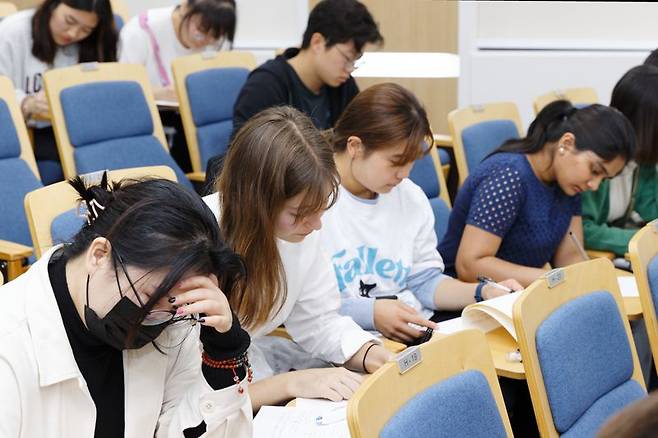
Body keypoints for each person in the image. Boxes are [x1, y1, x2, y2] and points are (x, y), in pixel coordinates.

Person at [0, 174, 252, 437]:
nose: (156, 318)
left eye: (175, 306)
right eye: (149, 296)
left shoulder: (170, 319)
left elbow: (184, 428)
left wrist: (223, 353)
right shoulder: (10, 344)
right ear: (99, 255)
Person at [204, 106, 391, 410]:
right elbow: (190, 398)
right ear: (255, 201)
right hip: (206, 395)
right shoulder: (198, 242)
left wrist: (370, 353)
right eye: (300, 214)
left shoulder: (300, 234)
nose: (316, 225)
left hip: (246, 377)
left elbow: (319, 321)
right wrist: (291, 383)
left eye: (319, 211)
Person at [320, 83, 522, 343]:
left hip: (414, 329)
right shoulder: (310, 200)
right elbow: (304, 309)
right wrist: (371, 313)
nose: (404, 174)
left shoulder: (409, 196)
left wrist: (484, 292)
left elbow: (424, 282)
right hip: (346, 340)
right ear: (355, 147)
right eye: (395, 162)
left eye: (411, 163)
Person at [438, 101, 636, 287]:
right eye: (594, 170)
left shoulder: (568, 184)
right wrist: (553, 280)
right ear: (566, 143)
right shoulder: (508, 176)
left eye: (604, 178)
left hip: (519, 297)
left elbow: (569, 257)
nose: (595, 185)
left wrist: (588, 278)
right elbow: (470, 266)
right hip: (464, 300)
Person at [204, 0, 383, 186]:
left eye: (355, 61)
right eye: (347, 58)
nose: (349, 69)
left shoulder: (343, 86)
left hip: (328, 186)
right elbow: (248, 160)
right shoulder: (265, 86)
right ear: (317, 42)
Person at [0, 0, 118, 184]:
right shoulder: (12, 31)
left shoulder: (94, 43)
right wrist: (25, 103)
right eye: (69, 21)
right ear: (53, 6)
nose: (73, 33)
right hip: (23, 133)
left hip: (70, 131)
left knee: (108, 172)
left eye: (86, 29)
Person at [119, 0, 236, 173]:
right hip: (150, 116)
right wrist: (161, 93)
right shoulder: (141, 31)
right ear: (185, 7)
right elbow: (123, 93)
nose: (205, 43)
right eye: (201, 32)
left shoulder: (217, 39)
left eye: (214, 38)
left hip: (195, 117)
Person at [582, 65, 658, 256]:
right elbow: (584, 230)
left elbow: (652, 213)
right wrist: (638, 239)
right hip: (596, 258)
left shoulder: (643, 163)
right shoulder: (594, 161)